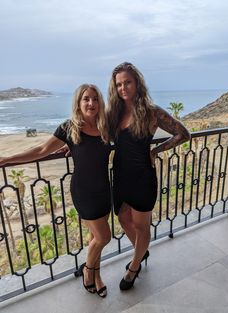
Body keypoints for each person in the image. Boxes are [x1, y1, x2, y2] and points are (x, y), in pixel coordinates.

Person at [0, 84, 111, 298]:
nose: (91, 103)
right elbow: (41, 150)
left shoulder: (105, 126)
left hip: (104, 189)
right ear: (78, 103)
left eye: (95, 99)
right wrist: (7, 159)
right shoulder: (70, 129)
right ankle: (89, 272)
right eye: (86, 99)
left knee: (94, 238)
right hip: (84, 191)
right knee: (103, 237)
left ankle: (97, 276)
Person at [107, 62, 191, 290]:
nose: (123, 88)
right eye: (119, 84)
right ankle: (141, 252)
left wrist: (155, 150)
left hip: (143, 175)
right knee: (123, 218)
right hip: (121, 175)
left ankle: (134, 267)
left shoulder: (151, 111)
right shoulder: (114, 112)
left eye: (127, 82)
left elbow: (183, 134)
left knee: (141, 225)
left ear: (137, 83)